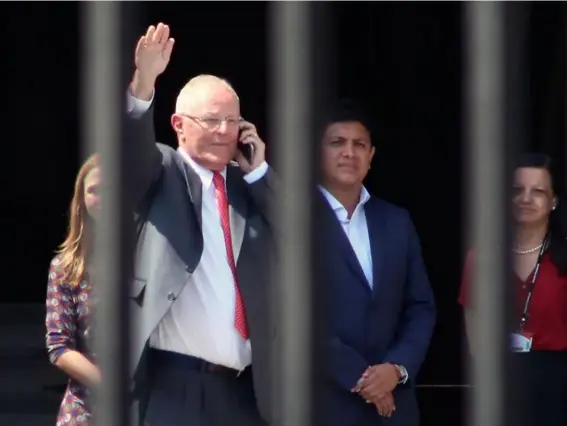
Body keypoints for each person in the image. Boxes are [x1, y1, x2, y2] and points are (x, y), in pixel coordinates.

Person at [125, 23, 277, 426]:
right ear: (179, 124)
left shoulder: (250, 189)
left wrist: (260, 172)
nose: (224, 131)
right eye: (212, 120)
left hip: (245, 391)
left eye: (233, 120)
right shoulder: (162, 171)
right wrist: (144, 83)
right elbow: (132, 147)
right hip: (177, 386)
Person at [315, 101, 436, 426]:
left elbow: (421, 306)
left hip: (395, 407)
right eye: (337, 143)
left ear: (371, 156)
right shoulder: (292, 220)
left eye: (359, 145)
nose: (349, 153)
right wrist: (361, 377)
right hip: (325, 402)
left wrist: (396, 369)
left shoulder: (396, 221)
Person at [459, 153, 567, 426]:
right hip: (499, 382)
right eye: (517, 190)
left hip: (558, 384)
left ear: (553, 201)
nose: (526, 198)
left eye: (538, 191)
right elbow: (475, 332)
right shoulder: (482, 257)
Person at [45, 154, 101, 425]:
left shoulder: (150, 256)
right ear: (81, 201)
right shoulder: (67, 266)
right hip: (86, 408)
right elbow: (58, 346)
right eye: (94, 191)